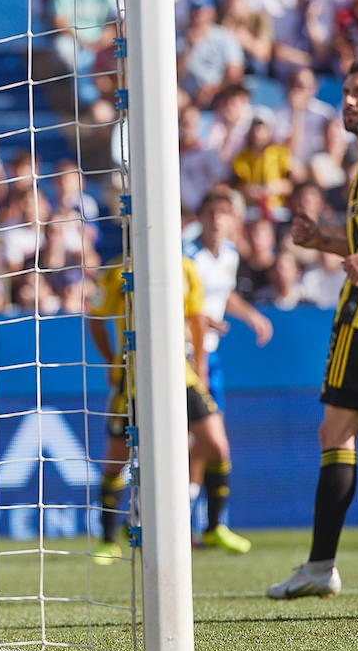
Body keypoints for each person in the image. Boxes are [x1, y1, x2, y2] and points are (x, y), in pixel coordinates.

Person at [268, 59, 358, 599]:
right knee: (336, 433)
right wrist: (326, 242)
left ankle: (319, 567)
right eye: (348, 92)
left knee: (337, 433)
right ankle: (318, 567)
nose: (351, 100)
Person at [87, 255, 227, 564]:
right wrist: (112, 358)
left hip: (182, 376)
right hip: (133, 380)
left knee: (216, 445)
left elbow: (197, 317)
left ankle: (215, 527)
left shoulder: (184, 267)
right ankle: (108, 540)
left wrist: (200, 365)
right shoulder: (116, 271)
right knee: (116, 459)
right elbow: (95, 317)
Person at [185, 190, 272, 552]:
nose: (217, 219)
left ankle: (194, 521)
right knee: (204, 441)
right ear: (201, 215)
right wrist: (202, 321)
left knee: (201, 444)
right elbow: (175, 300)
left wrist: (251, 315)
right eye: (211, 211)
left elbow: (225, 295)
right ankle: (205, 523)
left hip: (210, 356)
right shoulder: (186, 254)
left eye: (224, 212)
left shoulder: (230, 255)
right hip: (186, 356)